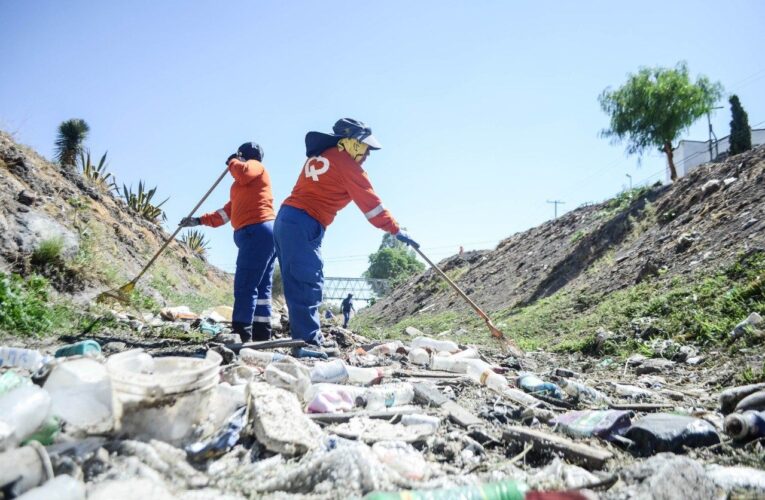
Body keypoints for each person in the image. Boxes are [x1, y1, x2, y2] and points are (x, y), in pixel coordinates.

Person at [274, 118, 418, 358]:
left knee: (300, 280)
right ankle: (306, 343)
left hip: (290, 219)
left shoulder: (323, 156)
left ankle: (310, 339)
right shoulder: (347, 165)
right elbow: (372, 206)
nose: (368, 153)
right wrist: (396, 229)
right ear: (350, 142)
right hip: (303, 222)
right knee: (308, 281)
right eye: (365, 147)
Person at [179, 142, 276, 343]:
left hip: (257, 232)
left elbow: (243, 171)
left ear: (243, 157)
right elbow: (226, 214)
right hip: (262, 234)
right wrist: (198, 221)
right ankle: (261, 334)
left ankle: (241, 333)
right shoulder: (242, 186)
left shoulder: (255, 167)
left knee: (245, 285)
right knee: (261, 287)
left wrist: (233, 160)